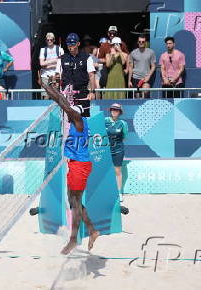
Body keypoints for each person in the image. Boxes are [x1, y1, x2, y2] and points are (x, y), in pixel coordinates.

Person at [41, 82, 99, 255]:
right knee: (72, 199)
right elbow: (63, 103)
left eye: (72, 112)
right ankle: (92, 230)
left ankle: (74, 239)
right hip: (75, 163)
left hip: (80, 165)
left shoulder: (78, 121)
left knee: (75, 203)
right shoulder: (78, 122)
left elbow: (63, 103)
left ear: (76, 114)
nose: (69, 113)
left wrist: (46, 86)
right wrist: (48, 87)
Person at [57, 33, 96, 117]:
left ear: (78, 44)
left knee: (83, 119)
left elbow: (92, 75)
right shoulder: (62, 58)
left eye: (73, 44)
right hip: (66, 94)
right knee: (67, 120)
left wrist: (92, 92)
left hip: (82, 92)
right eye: (68, 44)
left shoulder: (86, 57)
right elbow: (57, 75)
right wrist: (55, 80)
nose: (71, 46)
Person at [105, 103, 128, 201]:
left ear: (120, 112)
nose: (114, 111)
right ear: (110, 110)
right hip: (105, 150)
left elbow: (124, 137)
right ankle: (107, 192)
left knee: (117, 171)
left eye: (116, 110)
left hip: (118, 149)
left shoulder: (123, 123)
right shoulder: (104, 121)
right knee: (105, 172)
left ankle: (119, 193)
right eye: (113, 109)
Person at [39, 32, 64, 99]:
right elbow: (41, 64)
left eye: (51, 39)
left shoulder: (59, 49)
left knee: (56, 97)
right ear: (46, 40)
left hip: (56, 76)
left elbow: (62, 63)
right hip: (45, 76)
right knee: (46, 97)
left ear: (54, 40)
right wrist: (55, 61)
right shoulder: (43, 50)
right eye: (48, 40)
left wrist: (47, 64)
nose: (49, 41)